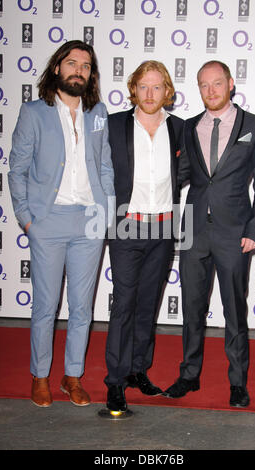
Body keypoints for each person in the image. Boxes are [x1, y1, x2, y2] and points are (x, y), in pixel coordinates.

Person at [8, 40, 114, 408]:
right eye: (72, 63)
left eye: (85, 65)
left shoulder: (97, 112)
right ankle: (40, 377)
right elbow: (17, 169)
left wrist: (106, 213)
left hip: (89, 222)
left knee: (82, 307)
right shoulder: (34, 112)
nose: (79, 70)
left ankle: (72, 377)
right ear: (57, 68)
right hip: (47, 222)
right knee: (45, 306)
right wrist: (27, 220)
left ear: (91, 74)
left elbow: (104, 166)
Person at [164, 60, 255, 407]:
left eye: (216, 83)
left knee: (234, 310)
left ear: (230, 84)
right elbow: (177, 176)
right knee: (192, 308)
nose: (210, 91)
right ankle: (189, 375)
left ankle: (238, 382)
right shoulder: (189, 127)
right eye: (203, 85)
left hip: (235, 233)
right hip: (194, 230)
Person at [104, 61, 184, 412]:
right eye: (143, 87)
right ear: (133, 89)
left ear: (167, 91)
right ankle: (115, 380)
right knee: (124, 304)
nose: (150, 94)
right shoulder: (113, 125)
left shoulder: (180, 128)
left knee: (148, 303)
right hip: (126, 226)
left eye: (157, 87)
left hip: (164, 227)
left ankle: (138, 369)